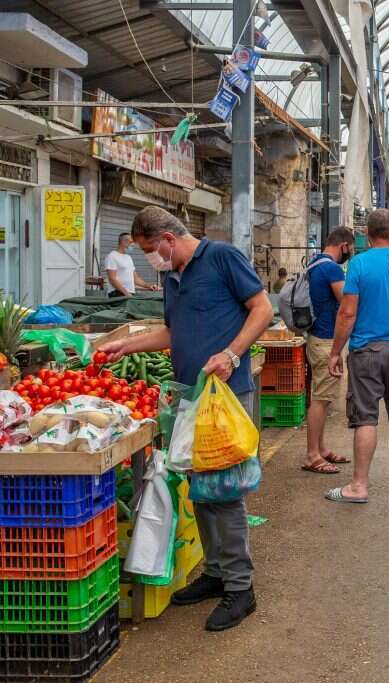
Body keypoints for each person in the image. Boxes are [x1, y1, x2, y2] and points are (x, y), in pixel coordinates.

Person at [97, 206, 273, 632]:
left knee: (224, 491)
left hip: (226, 397)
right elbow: (174, 334)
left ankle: (240, 588)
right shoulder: (172, 277)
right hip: (192, 399)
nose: (148, 259)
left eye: (149, 250)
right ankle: (215, 573)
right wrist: (128, 346)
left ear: (168, 240)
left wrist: (232, 354)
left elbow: (262, 309)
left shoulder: (222, 257)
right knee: (201, 490)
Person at [325, 209, 389, 504]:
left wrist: (335, 351)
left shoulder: (359, 263)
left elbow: (348, 311)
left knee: (365, 417)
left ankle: (358, 486)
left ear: (366, 233)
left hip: (365, 350)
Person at [302, 227, 355, 475]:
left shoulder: (314, 263)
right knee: (321, 400)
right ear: (344, 245)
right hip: (325, 340)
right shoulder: (331, 268)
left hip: (316, 337)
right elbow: (346, 301)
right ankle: (313, 455)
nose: (350, 254)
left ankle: (321, 448)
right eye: (351, 248)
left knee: (320, 396)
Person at [106, 232, 157, 297]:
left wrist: (149, 286)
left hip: (128, 294)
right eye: (131, 242)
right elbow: (112, 279)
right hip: (117, 294)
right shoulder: (112, 256)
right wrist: (126, 293)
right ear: (123, 242)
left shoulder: (128, 258)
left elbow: (135, 279)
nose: (132, 245)